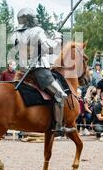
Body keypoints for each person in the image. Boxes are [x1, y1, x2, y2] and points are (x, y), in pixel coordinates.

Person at [11, 8, 74, 136]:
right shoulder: (37, 31)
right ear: (29, 20)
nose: (36, 19)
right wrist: (57, 38)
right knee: (60, 95)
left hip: (23, 70)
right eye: (34, 17)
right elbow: (49, 49)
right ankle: (58, 127)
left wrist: (45, 41)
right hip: (39, 70)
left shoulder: (16, 34)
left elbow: (32, 47)